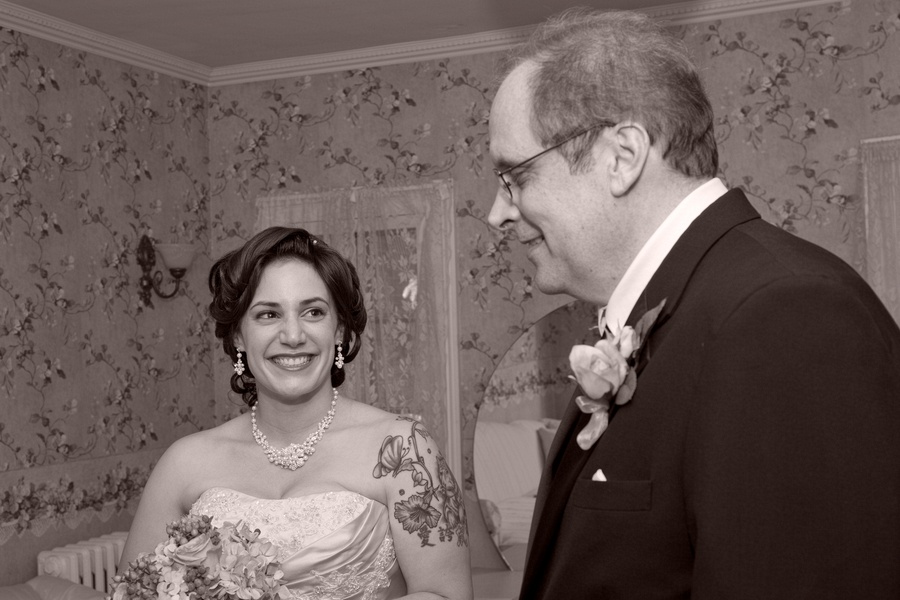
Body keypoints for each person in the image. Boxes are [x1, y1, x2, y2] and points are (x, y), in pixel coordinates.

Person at [486, 7, 900, 600]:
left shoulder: (784, 314)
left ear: (622, 156)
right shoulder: (677, 311)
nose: (496, 213)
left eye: (516, 177)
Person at [119, 226, 473, 600]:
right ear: (238, 336)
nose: (292, 335)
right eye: (268, 314)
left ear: (339, 330)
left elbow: (446, 595)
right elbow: (133, 591)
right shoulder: (184, 462)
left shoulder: (403, 450)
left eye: (313, 312)